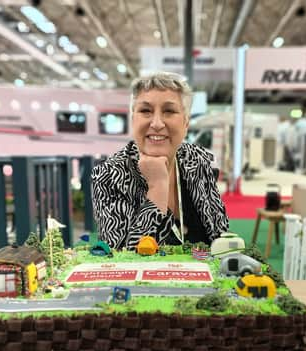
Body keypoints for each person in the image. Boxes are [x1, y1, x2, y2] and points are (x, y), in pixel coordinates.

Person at [91, 71, 229, 249]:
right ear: (133, 119)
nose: (157, 123)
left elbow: (221, 232)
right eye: (146, 111)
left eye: (169, 111)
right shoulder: (109, 175)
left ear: (186, 123)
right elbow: (120, 256)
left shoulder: (198, 160)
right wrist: (157, 187)